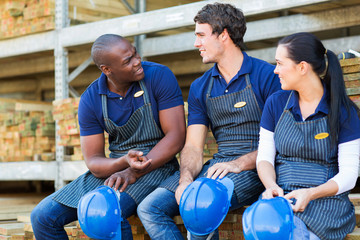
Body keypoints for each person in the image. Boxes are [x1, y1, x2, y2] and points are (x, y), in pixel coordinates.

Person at [137, 3, 281, 239]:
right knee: (150, 207)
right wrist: (185, 179)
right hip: (217, 168)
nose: (196, 44)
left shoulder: (266, 76)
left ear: (223, 35)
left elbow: (281, 141)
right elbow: (193, 146)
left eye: (201, 35)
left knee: (201, 206)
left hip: (256, 168)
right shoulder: (200, 87)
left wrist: (238, 164)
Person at [30, 34, 186, 240]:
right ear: (107, 69)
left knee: (106, 213)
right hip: (116, 169)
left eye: (135, 53)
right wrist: (123, 162)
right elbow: (94, 161)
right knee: (42, 217)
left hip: (158, 164)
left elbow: (176, 136)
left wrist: (133, 171)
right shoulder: (91, 99)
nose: (137, 61)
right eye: (127, 61)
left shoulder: (158, 76)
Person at [256, 32, 360, 239]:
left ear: (302, 67)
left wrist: (310, 193)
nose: (275, 70)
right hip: (282, 198)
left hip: (326, 204)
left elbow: (349, 176)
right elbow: (264, 158)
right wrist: (271, 187)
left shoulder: (344, 112)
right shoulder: (276, 103)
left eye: (279, 63)